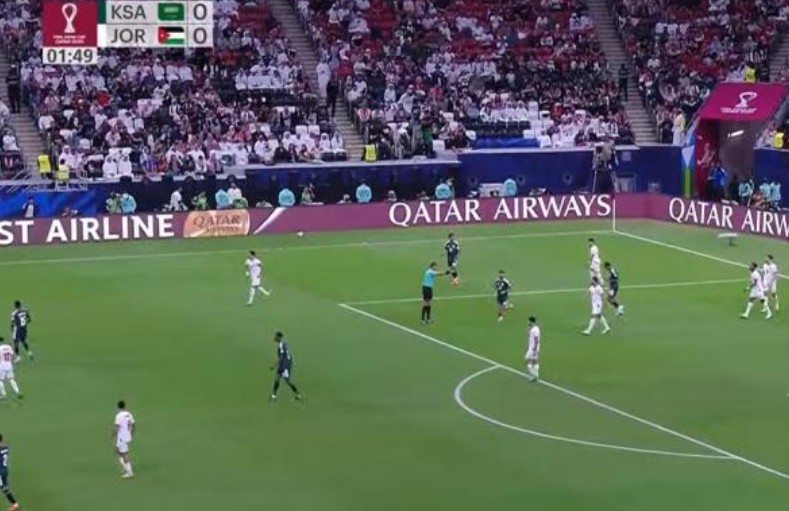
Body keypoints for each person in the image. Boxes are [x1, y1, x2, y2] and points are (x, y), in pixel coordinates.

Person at [270, 332, 303, 402]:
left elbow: (281, 357)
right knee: (277, 379)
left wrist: (274, 365)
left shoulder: (281, 345)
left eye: (276, 336)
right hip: (283, 364)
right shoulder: (283, 344)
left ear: (279, 337)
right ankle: (274, 396)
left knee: (287, 381)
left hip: (285, 365)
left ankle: (298, 395)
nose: (274, 337)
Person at [114, 400, 136, 479]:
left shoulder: (119, 416)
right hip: (127, 435)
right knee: (117, 451)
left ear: (117, 406)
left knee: (124, 453)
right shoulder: (128, 414)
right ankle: (125, 467)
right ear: (125, 406)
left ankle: (130, 472)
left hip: (122, 437)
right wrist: (131, 433)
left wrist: (113, 435)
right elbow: (133, 425)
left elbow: (117, 427)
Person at [0, 434, 20, 510]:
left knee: (4, 488)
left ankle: (15, 504)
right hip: (5, 470)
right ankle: (15, 504)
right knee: (4, 487)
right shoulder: (5, 447)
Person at [525, 316, 541, 382]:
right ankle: (536, 375)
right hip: (533, 347)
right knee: (534, 361)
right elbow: (529, 335)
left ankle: (534, 375)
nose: (527, 322)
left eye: (528, 321)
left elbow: (536, 340)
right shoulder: (535, 328)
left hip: (533, 347)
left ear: (531, 321)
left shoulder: (535, 330)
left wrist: (534, 349)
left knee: (527, 361)